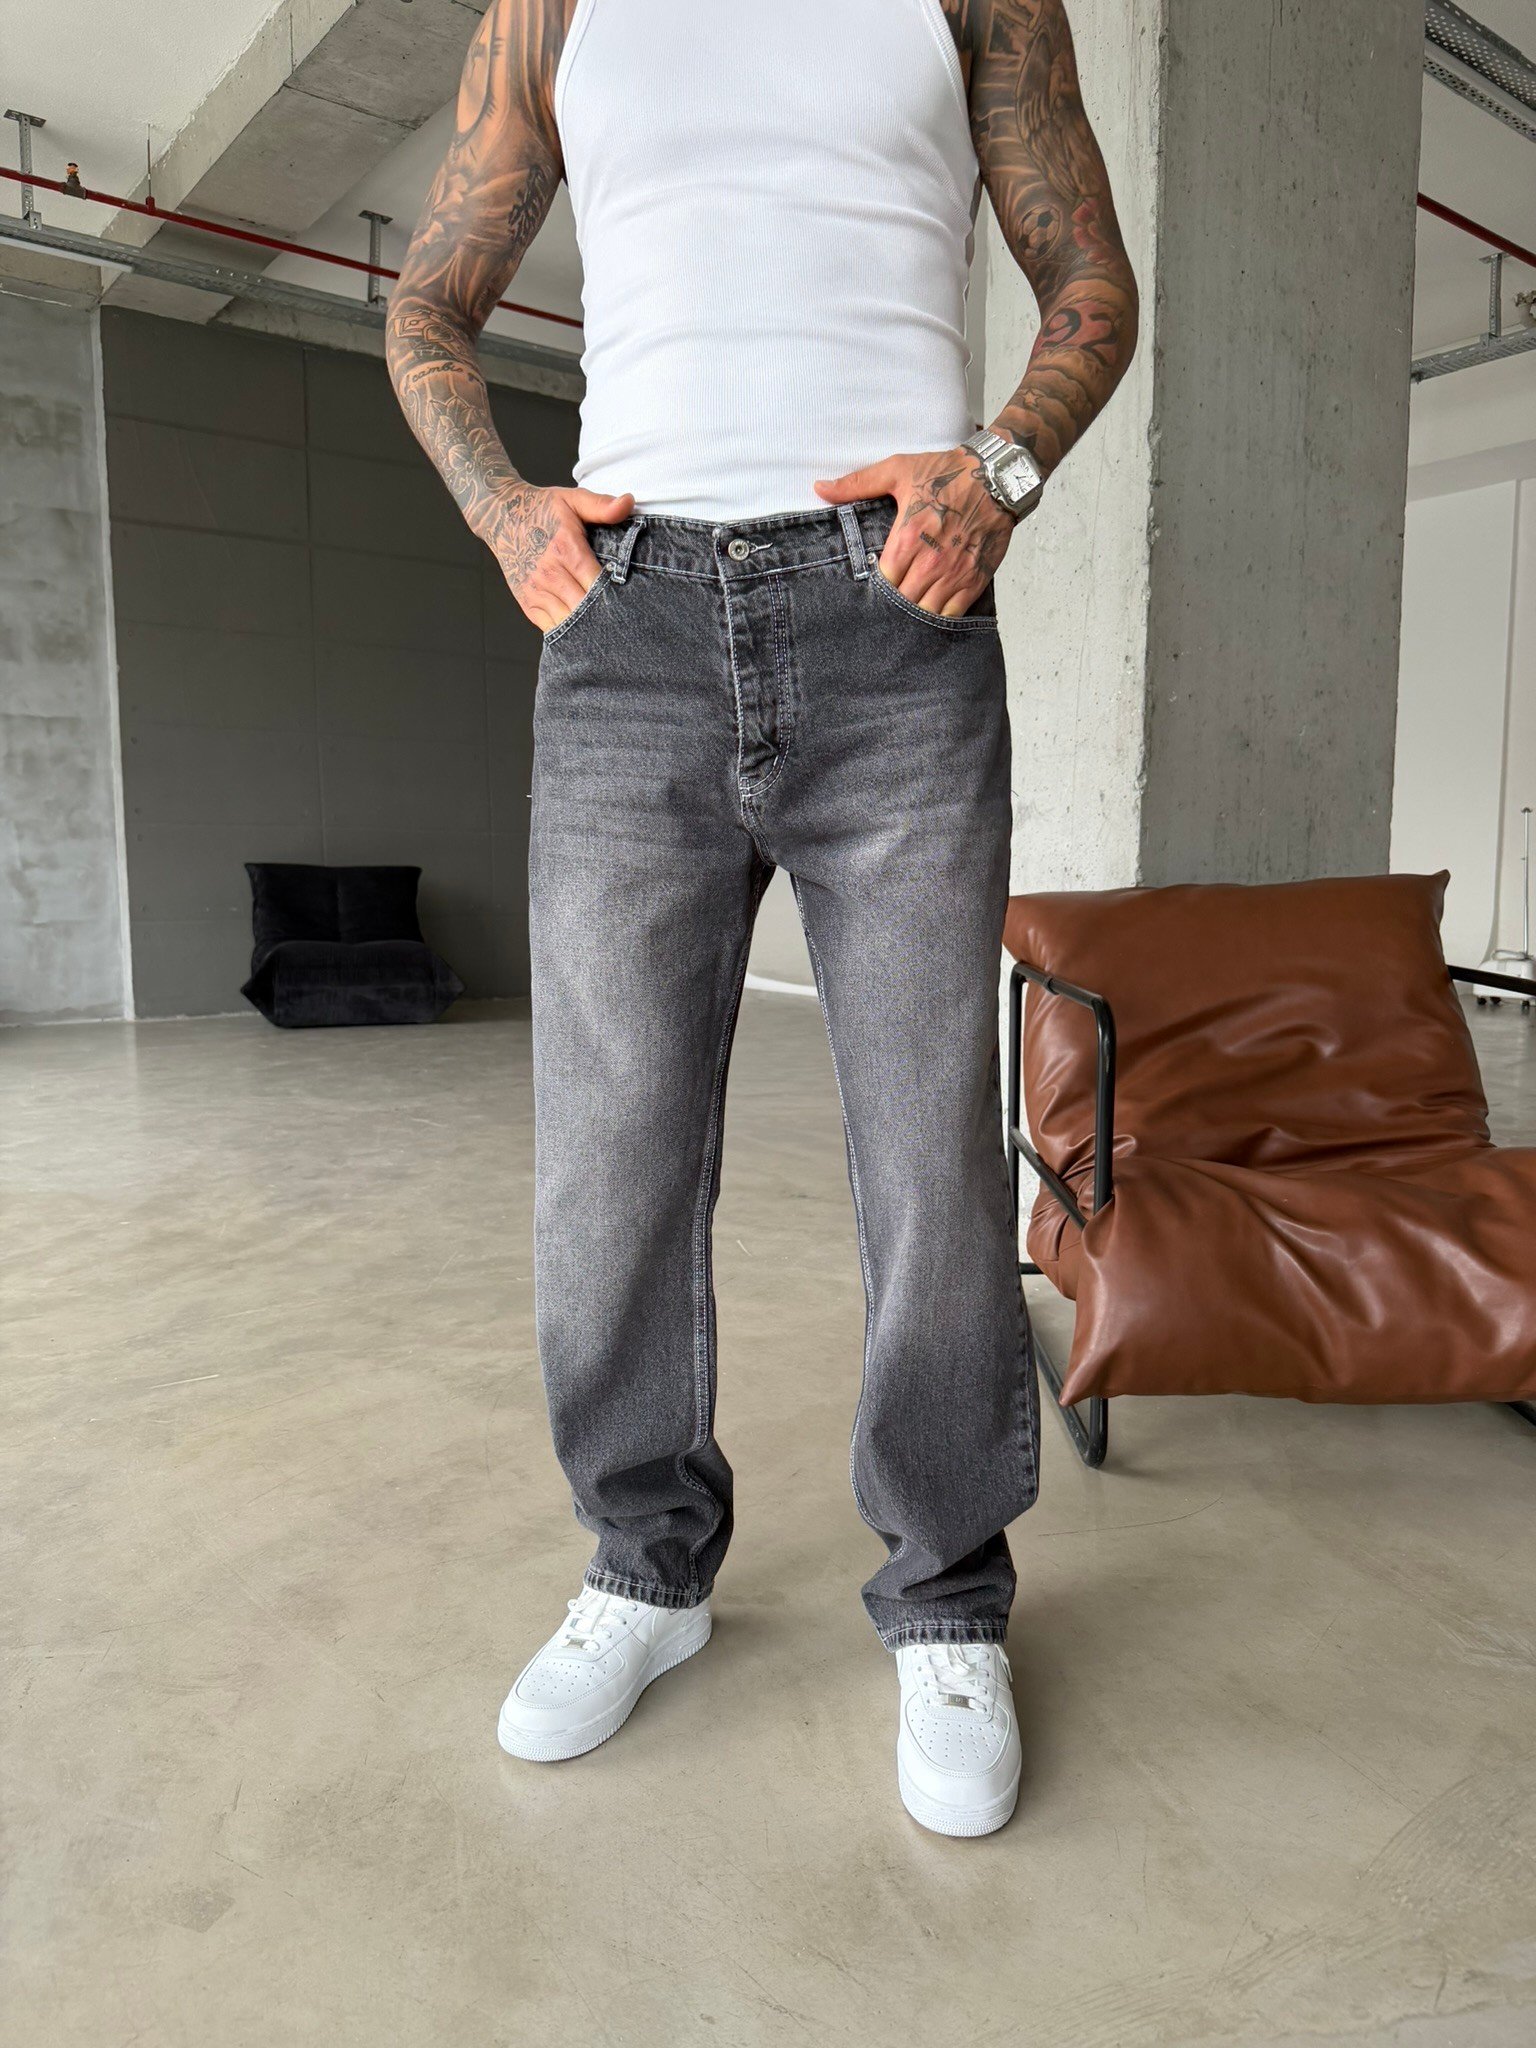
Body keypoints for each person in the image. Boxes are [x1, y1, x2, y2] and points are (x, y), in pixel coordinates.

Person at [386, 0, 1137, 1839]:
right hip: (627, 623)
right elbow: (426, 307)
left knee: (927, 1153)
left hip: (898, 617)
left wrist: (1001, 475)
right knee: (611, 1158)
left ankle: (948, 1594)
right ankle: (645, 1563)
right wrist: (502, 514)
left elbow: (1091, 287)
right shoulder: (553, 7)